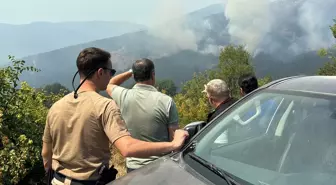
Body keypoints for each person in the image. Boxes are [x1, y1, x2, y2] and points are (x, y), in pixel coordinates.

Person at [41, 47, 188, 185]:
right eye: (111, 72)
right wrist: (173, 144)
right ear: (100, 72)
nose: (111, 75)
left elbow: (46, 155)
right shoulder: (104, 106)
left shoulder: (56, 107)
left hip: (57, 181)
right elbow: (127, 148)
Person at [105, 58, 180, 173]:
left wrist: (131, 71)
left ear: (134, 76)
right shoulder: (166, 101)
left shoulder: (123, 96)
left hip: (133, 167)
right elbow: (174, 139)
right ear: (153, 74)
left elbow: (110, 83)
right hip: (161, 165)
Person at [202, 79, 237, 144]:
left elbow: (218, 145)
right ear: (228, 93)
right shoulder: (241, 103)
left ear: (211, 99)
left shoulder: (217, 118)